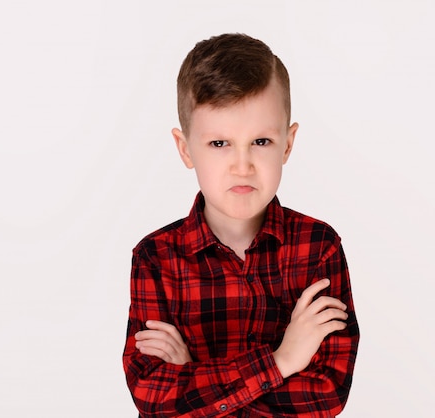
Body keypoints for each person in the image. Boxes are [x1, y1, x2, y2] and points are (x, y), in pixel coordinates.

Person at [123, 33, 359, 417]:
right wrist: (282, 361)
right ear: (186, 149)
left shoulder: (319, 247)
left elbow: (326, 394)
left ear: (287, 143)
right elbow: (153, 397)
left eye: (261, 141)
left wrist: (194, 380)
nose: (242, 164)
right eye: (220, 144)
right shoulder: (155, 257)